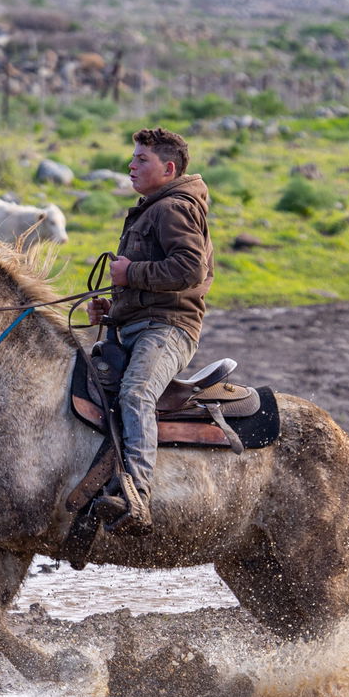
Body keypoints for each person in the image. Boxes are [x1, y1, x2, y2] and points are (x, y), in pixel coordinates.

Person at [85, 127, 214, 534]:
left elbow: (191, 269)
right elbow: (152, 280)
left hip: (168, 329)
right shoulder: (152, 206)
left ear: (168, 167)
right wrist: (115, 306)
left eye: (142, 159)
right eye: (133, 158)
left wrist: (130, 273)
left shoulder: (173, 207)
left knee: (136, 392)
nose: (131, 165)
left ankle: (135, 494)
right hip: (141, 324)